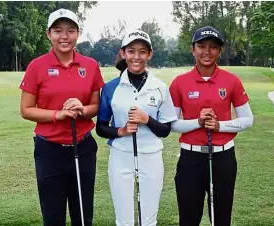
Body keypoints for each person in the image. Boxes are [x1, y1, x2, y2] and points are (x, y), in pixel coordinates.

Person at [19, 8, 104, 226]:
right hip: (50, 151)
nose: (64, 36)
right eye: (58, 30)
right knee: (53, 215)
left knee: (83, 215)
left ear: (78, 33)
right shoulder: (36, 66)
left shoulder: (91, 66)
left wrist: (82, 110)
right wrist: (59, 114)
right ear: (49, 34)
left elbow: (95, 106)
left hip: (83, 147)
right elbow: (26, 109)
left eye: (70, 30)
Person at [169, 26, 254, 226]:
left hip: (223, 158)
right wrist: (198, 122)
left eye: (213, 47)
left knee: (221, 218)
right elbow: (172, 124)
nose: (207, 51)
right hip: (191, 159)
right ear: (193, 49)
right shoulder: (180, 82)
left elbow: (247, 120)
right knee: (189, 218)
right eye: (201, 46)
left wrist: (219, 126)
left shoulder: (231, 81)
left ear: (220, 51)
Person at [96, 30, 177, 226]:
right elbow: (100, 127)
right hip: (121, 156)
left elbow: (165, 130)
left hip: (151, 156)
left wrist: (146, 119)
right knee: (124, 220)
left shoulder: (159, 87)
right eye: (131, 51)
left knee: (148, 220)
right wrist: (121, 131)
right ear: (123, 53)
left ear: (149, 54)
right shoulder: (111, 88)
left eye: (142, 52)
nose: (136, 57)